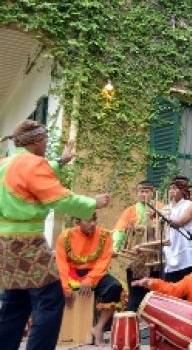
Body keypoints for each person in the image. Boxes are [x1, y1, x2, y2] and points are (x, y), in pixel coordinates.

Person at [0, 120, 109, 350]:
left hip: (5, 244)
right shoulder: (33, 164)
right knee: (50, 300)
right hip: (26, 243)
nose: (47, 143)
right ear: (36, 141)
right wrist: (93, 203)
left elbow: (28, 179)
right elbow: (60, 198)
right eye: (46, 140)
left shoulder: (6, 163)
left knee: (16, 302)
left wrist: (60, 161)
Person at [55, 214, 122, 345]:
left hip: (96, 273)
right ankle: (61, 331)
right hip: (70, 274)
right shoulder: (65, 236)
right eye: (89, 220)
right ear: (77, 222)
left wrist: (90, 279)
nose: (93, 224)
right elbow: (61, 263)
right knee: (52, 290)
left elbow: (104, 261)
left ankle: (98, 328)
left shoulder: (104, 235)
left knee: (115, 287)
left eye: (95, 220)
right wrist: (65, 287)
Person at [112, 180, 161, 311]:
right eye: (140, 191)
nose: (143, 194)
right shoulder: (131, 210)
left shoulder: (161, 208)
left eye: (146, 191)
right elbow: (120, 230)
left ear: (153, 193)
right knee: (136, 296)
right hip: (137, 260)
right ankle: (132, 325)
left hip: (157, 261)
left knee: (155, 296)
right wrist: (115, 247)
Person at [162, 177, 192, 282]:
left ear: (183, 191)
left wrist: (163, 216)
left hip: (187, 251)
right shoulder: (166, 207)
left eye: (175, 188)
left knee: (189, 286)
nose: (171, 191)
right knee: (171, 288)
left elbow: (179, 222)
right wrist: (156, 216)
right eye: (170, 188)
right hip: (171, 250)